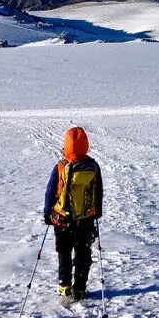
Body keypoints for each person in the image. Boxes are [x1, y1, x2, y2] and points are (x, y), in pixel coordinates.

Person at [43, 126, 103, 301]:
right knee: (83, 254)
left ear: (66, 146)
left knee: (64, 252)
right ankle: (79, 289)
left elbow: (50, 191)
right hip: (85, 219)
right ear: (86, 146)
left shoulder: (61, 167)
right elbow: (98, 191)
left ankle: (64, 286)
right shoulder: (93, 166)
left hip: (62, 219)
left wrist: (48, 213)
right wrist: (96, 211)